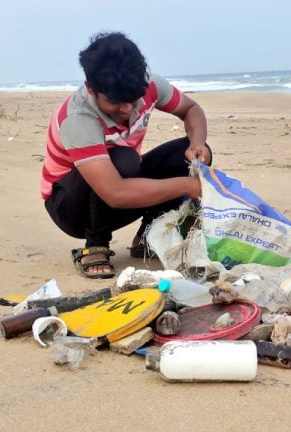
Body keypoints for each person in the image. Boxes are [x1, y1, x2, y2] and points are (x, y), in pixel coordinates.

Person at [40, 32, 211, 279]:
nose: (127, 109)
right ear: (91, 88)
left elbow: (191, 109)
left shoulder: (148, 85)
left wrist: (197, 144)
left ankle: (150, 235)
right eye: (116, 102)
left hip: (121, 185)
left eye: (133, 99)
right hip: (70, 206)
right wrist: (189, 185)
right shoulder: (78, 118)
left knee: (187, 155)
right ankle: (95, 246)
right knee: (123, 159)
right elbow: (115, 192)